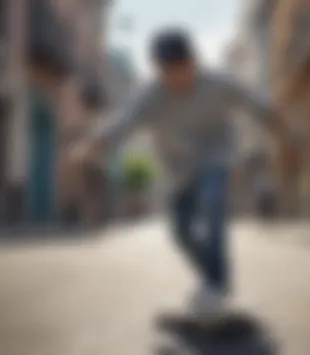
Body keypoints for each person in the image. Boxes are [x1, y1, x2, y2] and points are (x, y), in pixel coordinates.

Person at [71, 27, 286, 326]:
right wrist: (90, 145)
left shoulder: (218, 83)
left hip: (216, 156)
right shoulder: (149, 95)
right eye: (168, 72)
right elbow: (122, 123)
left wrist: (281, 126)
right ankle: (210, 277)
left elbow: (253, 101)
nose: (177, 78)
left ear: (193, 62)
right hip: (178, 170)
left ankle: (217, 285)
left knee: (212, 202)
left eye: (182, 69)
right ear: (159, 71)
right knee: (180, 232)